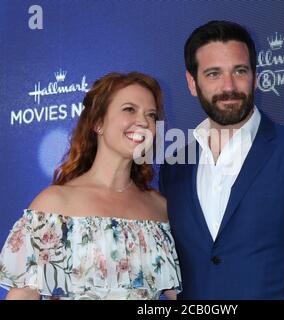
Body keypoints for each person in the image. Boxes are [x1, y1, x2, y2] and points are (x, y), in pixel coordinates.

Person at [159, 20, 284, 299]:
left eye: (240, 71)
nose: (229, 86)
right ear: (192, 82)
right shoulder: (174, 167)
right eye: (213, 74)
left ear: (255, 76)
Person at [0, 72, 181, 300]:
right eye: (129, 109)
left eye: (151, 115)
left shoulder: (160, 209)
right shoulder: (55, 205)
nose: (144, 122)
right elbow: (24, 295)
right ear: (98, 123)